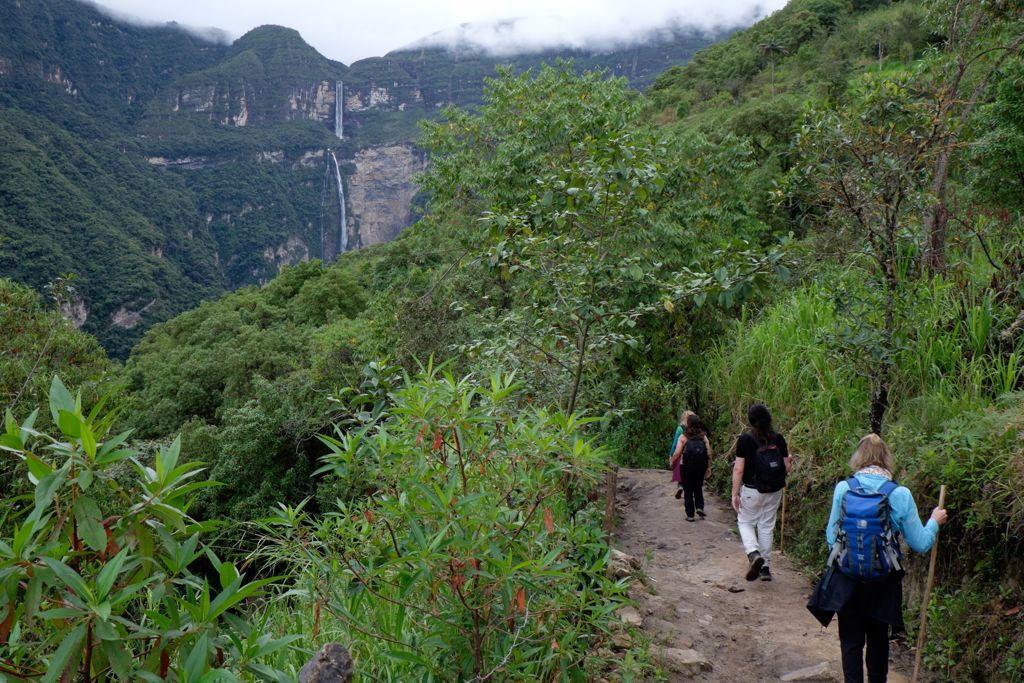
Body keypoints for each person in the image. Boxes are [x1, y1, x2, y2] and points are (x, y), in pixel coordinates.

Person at [808, 433, 948, 683]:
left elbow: (832, 539)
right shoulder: (900, 494)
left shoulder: (844, 488)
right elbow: (921, 544)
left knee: (850, 642)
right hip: (882, 583)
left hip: (848, 579)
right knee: (878, 642)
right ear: (887, 459)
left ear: (858, 458)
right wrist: (934, 522)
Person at [731, 403, 791, 581]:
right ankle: (765, 568)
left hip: (752, 490)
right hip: (774, 490)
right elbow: (786, 468)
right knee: (766, 526)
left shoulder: (745, 440)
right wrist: (790, 462)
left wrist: (735, 493)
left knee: (744, 521)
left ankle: (753, 553)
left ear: (751, 421)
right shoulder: (778, 438)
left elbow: (738, 470)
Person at [669, 412, 712, 521]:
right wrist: (708, 467)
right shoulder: (703, 437)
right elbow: (709, 453)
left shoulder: (683, 437)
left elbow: (677, 452)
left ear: (688, 424)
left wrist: (672, 461)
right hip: (701, 466)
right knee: (698, 487)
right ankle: (699, 507)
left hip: (686, 466)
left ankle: (690, 515)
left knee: (688, 490)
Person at [668, 411, 688, 498]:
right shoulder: (696, 429)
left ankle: (680, 486)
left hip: (682, 454)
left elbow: (675, 443)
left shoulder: (680, 428)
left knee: (681, 470)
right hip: (694, 455)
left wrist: (671, 454)